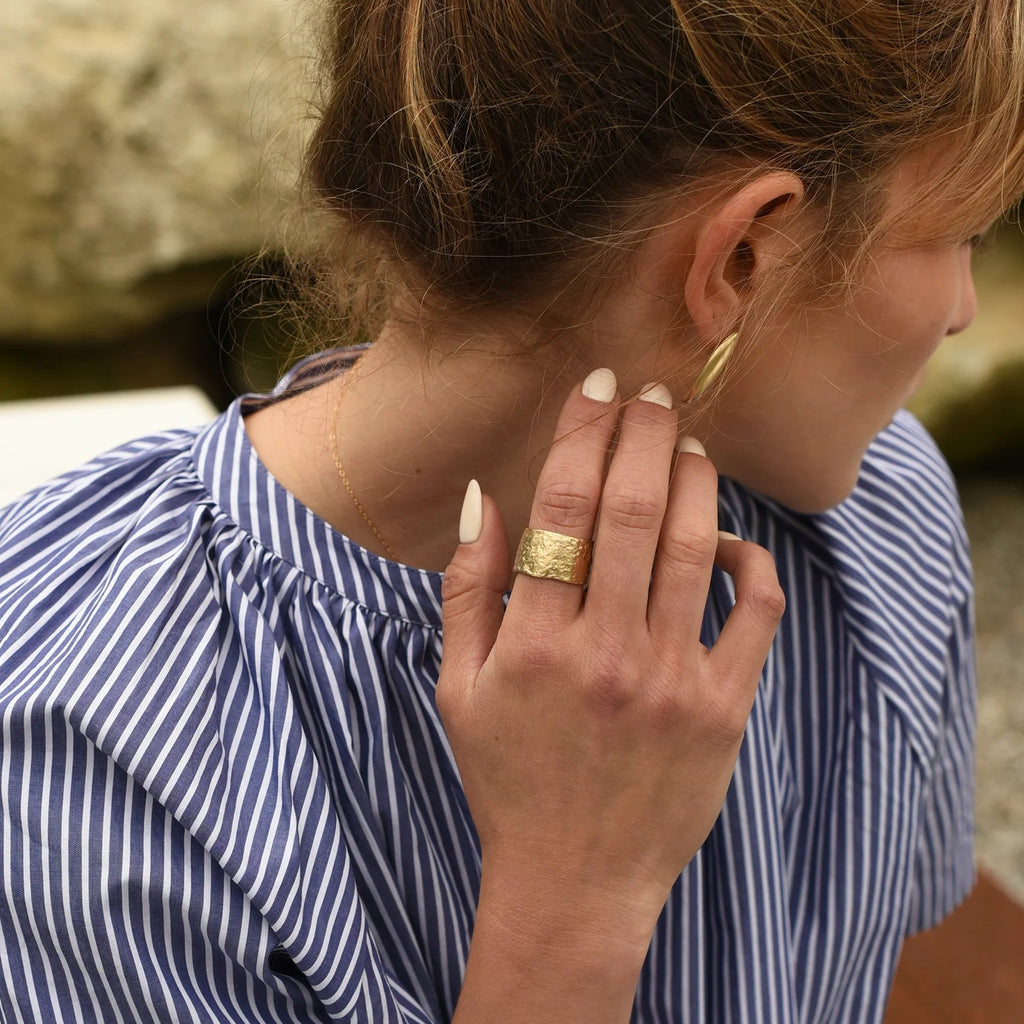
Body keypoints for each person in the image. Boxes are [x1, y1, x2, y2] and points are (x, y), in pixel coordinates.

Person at [1, 1, 1022, 1021]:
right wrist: (570, 906)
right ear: (744, 253)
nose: (963, 312)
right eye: (962, 234)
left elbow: (914, 966)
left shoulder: (878, 514)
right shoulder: (95, 762)